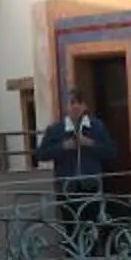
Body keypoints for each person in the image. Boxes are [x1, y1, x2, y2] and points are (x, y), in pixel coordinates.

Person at [32, 88, 113, 238]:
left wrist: (91, 143)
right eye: (72, 102)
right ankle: (73, 258)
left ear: (85, 106)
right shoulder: (55, 130)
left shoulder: (96, 127)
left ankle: (93, 258)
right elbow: (40, 154)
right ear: (66, 106)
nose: (76, 106)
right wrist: (62, 147)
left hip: (91, 186)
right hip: (66, 188)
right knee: (71, 229)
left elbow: (110, 152)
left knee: (92, 228)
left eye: (79, 103)